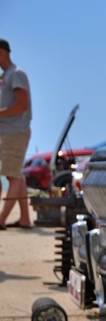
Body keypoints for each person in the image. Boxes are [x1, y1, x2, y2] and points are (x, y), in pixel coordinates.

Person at [0, 38, 33, 229]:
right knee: (16, 175)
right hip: (11, 131)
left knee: (11, 175)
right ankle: (25, 219)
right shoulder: (8, 76)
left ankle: (1, 219)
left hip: (14, 132)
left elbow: (22, 104)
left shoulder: (16, 74)